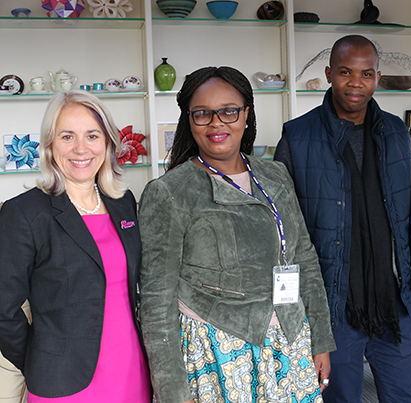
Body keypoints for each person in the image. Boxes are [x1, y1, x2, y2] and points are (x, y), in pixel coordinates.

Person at [138, 66, 335, 403]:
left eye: (229, 111)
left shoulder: (275, 175)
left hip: (290, 339)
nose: (217, 123)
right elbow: (156, 300)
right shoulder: (169, 192)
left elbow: (304, 258)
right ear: (189, 120)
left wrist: (321, 339)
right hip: (217, 352)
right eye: (202, 114)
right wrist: (171, 389)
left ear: (246, 115)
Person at [274, 35, 411, 403]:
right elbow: (283, 234)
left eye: (366, 73)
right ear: (329, 74)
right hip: (332, 306)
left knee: (406, 397)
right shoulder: (297, 137)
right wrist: (292, 309)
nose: (356, 83)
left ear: (377, 76)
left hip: (396, 303)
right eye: (345, 72)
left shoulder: (397, 133)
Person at [0, 90, 151, 402]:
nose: (81, 148)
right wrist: (39, 360)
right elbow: (3, 308)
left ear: (108, 143)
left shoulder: (124, 204)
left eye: (92, 135)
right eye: (67, 136)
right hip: (62, 382)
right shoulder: (24, 213)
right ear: (50, 145)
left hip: (132, 373)